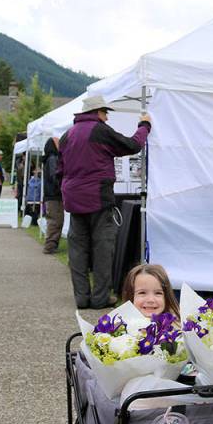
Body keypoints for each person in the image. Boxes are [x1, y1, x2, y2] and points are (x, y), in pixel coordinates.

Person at [58, 95, 151, 309]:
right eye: (105, 113)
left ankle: (81, 298)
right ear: (98, 111)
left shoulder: (67, 135)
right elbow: (131, 145)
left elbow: (59, 171)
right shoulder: (99, 130)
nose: (107, 118)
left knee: (78, 251)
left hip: (73, 199)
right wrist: (144, 125)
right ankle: (100, 298)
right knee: (102, 249)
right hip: (98, 198)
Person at [41, 137, 64, 255]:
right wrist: (62, 187)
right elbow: (55, 176)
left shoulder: (50, 158)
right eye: (58, 142)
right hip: (54, 195)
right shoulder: (53, 159)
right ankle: (50, 246)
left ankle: (51, 244)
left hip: (52, 195)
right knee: (55, 221)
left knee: (55, 220)